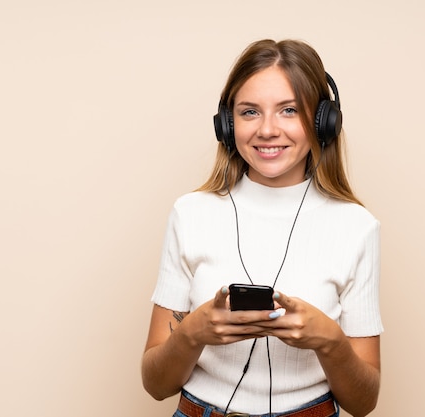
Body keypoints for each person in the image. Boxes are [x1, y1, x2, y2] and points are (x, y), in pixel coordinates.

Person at [142, 39, 383, 417]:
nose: (268, 130)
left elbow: (363, 402)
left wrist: (331, 342)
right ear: (227, 124)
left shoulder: (357, 227)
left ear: (323, 121)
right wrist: (193, 332)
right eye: (250, 112)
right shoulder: (190, 213)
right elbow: (155, 385)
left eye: (289, 110)